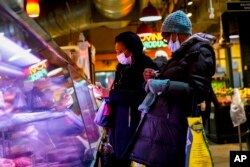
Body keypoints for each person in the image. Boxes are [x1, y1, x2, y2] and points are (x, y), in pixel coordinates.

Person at [129, 10, 216, 167]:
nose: (166, 42)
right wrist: (155, 76)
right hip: (167, 125)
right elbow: (176, 77)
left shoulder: (200, 52)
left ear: (176, 33)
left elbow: (198, 91)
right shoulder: (180, 54)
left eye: (166, 38)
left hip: (179, 126)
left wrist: (165, 85)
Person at [93, 31, 159, 167]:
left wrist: (110, 94)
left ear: (132, 49)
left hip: (136, 125)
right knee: (119, 157)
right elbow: (118, 93)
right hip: (119, 125)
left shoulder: (147, 67)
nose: (118, 55)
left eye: (120, 51)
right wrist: (103, 93)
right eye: (116, 51)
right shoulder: (121, 68)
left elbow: (141, 96)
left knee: (131, 158)